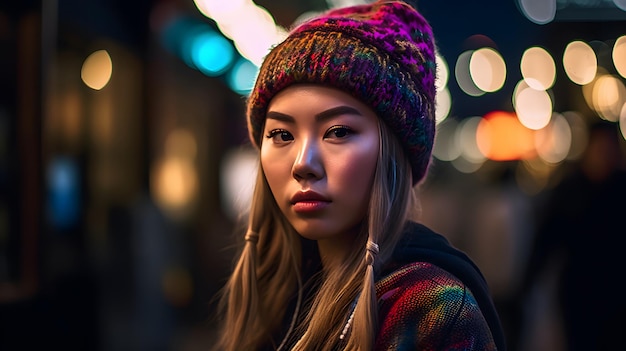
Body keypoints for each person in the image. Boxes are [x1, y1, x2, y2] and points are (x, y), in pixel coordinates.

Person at [214, 1, 506, 350]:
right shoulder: (280, 295)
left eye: (337, 132)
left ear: (393, 152)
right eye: (282, 135)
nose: (302, 163)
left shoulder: (432, 309)